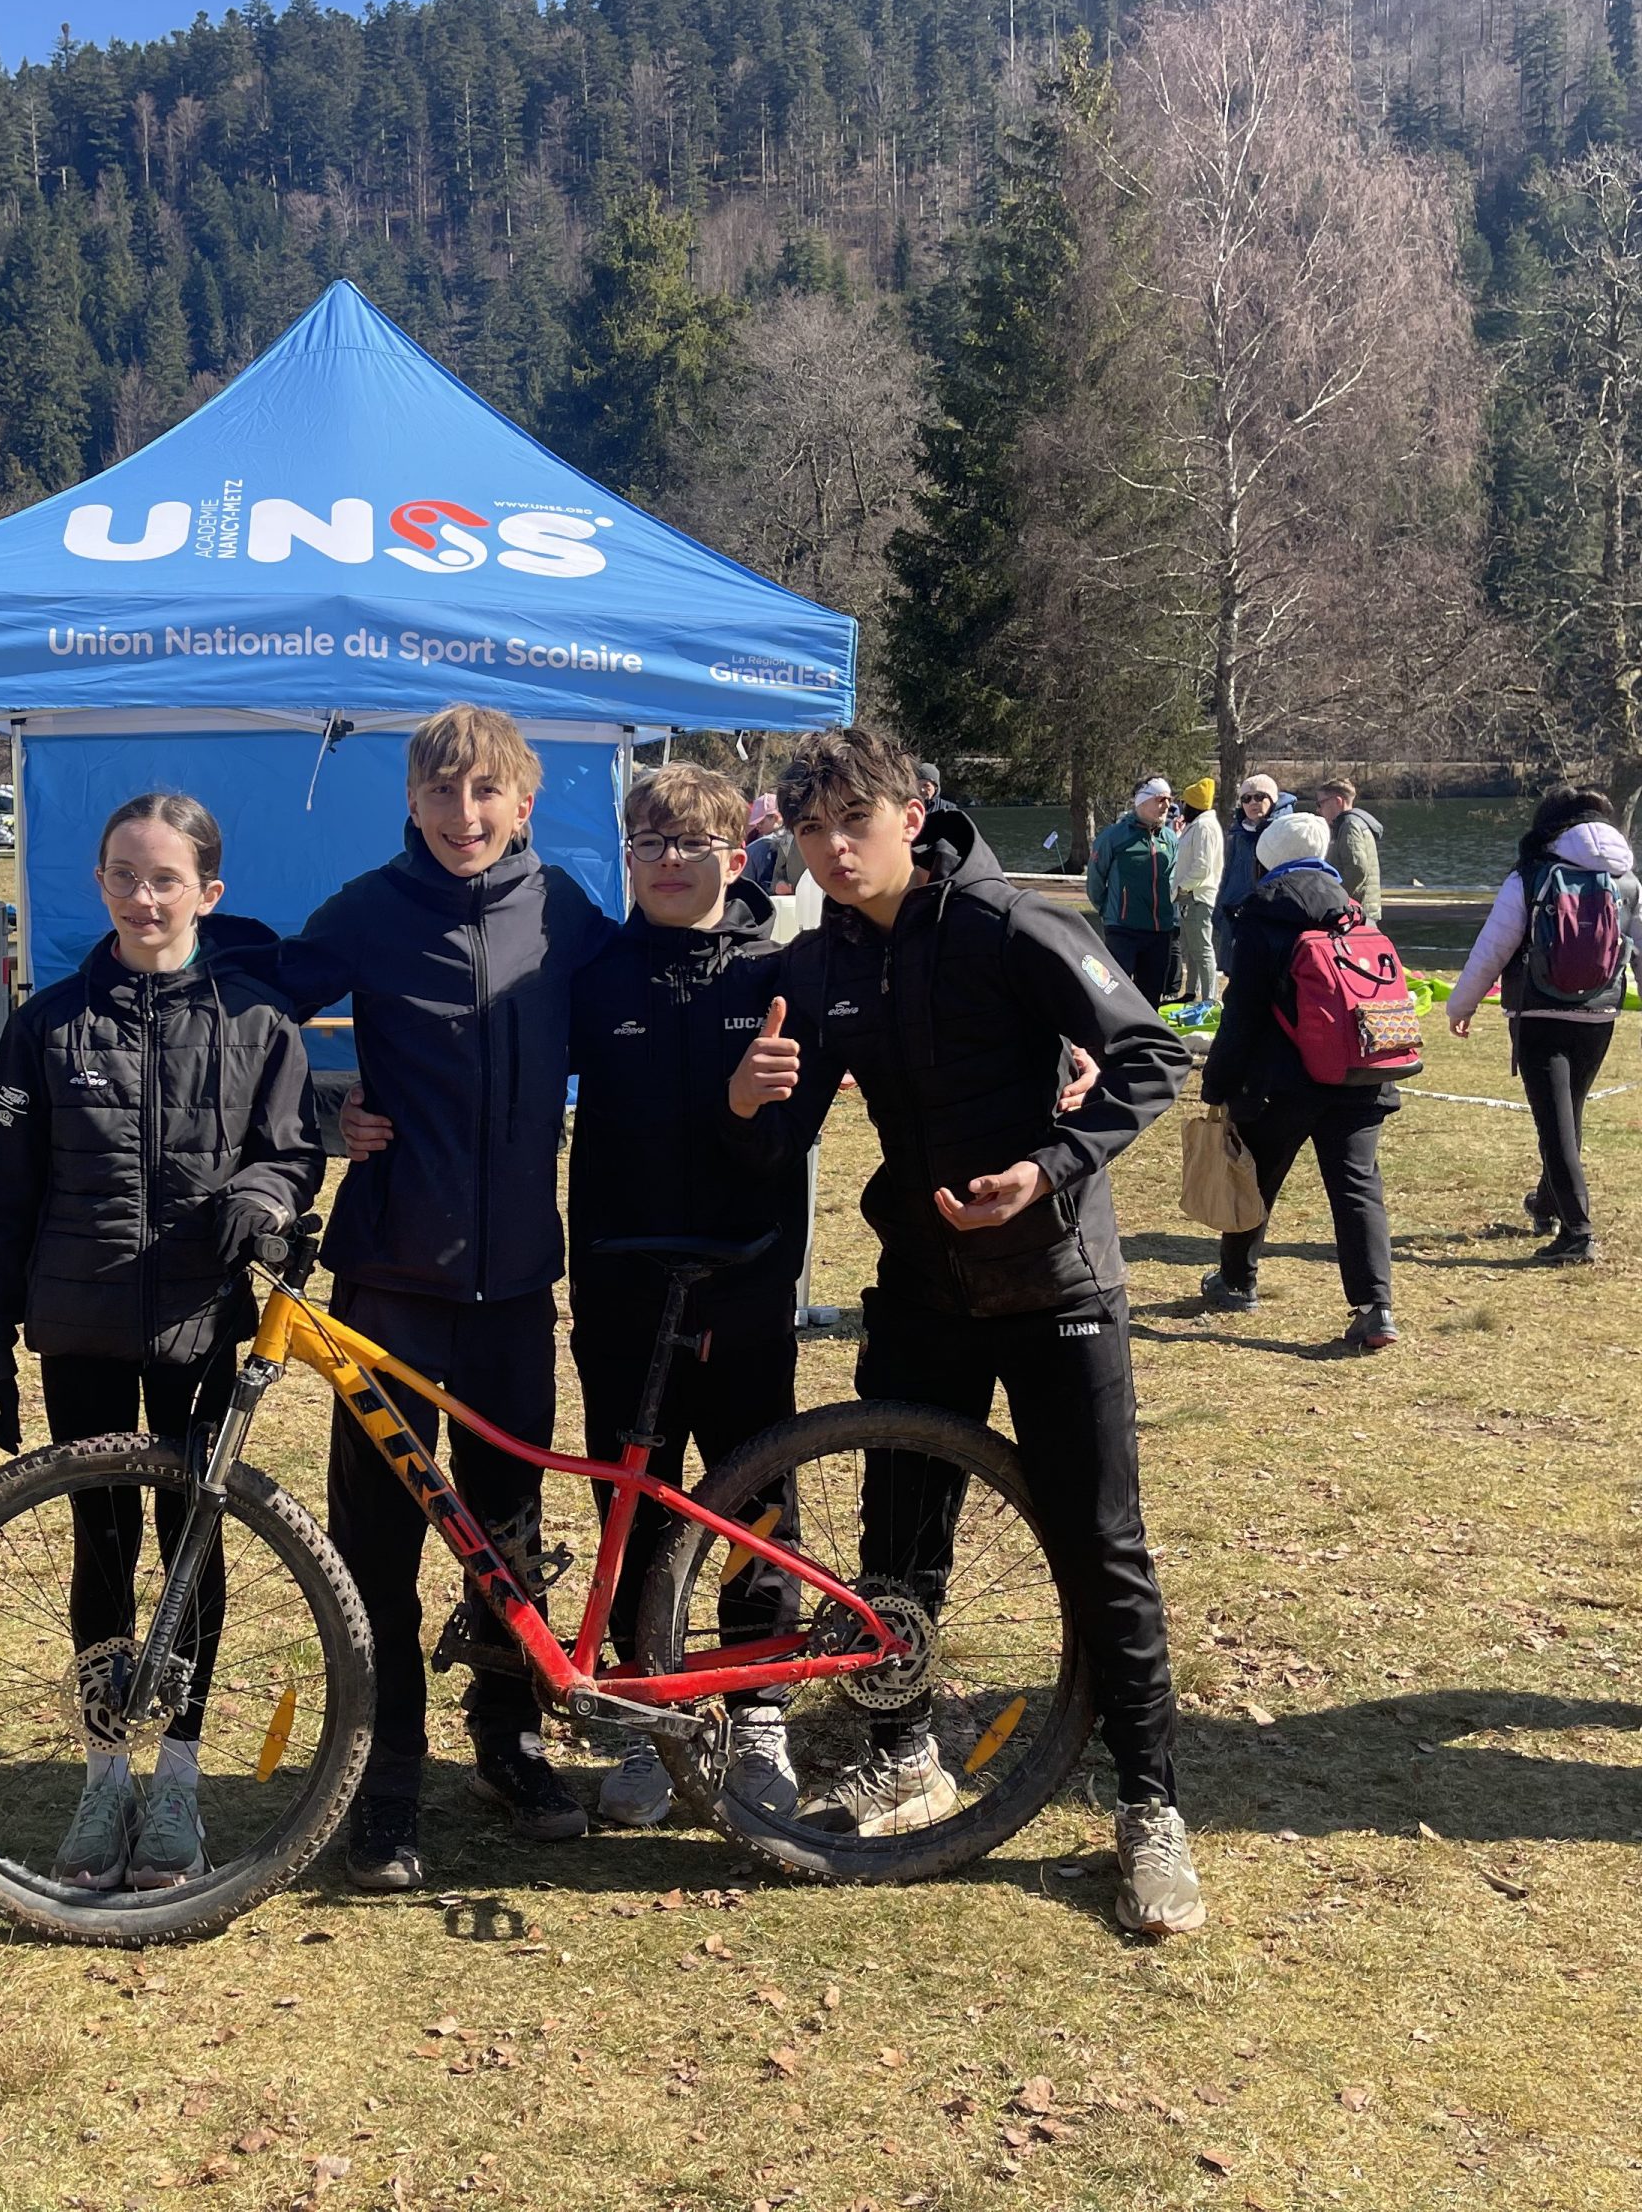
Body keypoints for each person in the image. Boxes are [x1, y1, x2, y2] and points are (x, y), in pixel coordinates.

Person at [759, 726, 1205, 1937]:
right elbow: (784, 1128)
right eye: (810, 831)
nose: (833, 851)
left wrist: (1049, 1166)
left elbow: (1151, 1055)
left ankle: (1150, 1808)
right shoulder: (823, 956)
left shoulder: (1014, 924)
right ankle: (903, 1755)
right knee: (897, 1545)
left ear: (912, 816)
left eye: (854, 823)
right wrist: (752, 1102)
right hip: (921, 1288)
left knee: (1098, 1543)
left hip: (1055, 1286)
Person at [272, 704, 618, 1890]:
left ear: (523, 801)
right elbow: (255, 1009)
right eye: (439, 792)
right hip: (389, 1281)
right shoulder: (370, 909)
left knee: (506, 1530)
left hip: (514, 1281)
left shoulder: (564, 912)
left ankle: (508, 1744)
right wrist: (322, 1114)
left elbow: (645, 1020)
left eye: (484, 793)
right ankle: (384, 1778)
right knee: (376, 1539)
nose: (462, 815)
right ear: (410, 802)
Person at [0, 792, 323, 1893]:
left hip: (200, 1327)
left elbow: (291, 1151)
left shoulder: (258, 1023)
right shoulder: (47, 1025)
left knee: (191, 1544)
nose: (143, 896)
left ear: (208, 893)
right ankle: (104, 1770)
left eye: (166, 878)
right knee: (101, 1546)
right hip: (79, 1328)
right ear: (100, 883)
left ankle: (179, 1779)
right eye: (124, 874)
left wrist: (262, 1196)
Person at [563, 767, 810, 1829]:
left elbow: (794, 1134)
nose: (670, 862)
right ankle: (645, 1706)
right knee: (631, 1501)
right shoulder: (590, 974)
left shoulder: (779, 971)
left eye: (693, 844)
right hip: (620, 1282)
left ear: (737, 857)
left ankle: (758, 1710)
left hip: (744, 1280)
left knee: (755, 1502)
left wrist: (1064, 1062)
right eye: (649, 843)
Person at [1196, 809, 1400, 1347]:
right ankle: (1375, 1308)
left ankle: (1236, 1281)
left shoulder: (1261, 914)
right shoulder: (1353, 910)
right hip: (1360, 1073)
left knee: (1255, 1177)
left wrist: (1216, 1082)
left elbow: (1241, 1014)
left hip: (1281, 1081)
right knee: (1357, 1186)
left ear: (1267, 857)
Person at [1450, 786, 1640, 1267]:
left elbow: (1492, 948)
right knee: (1568, 1114)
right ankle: (1549, 1204)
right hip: (1599, 1013)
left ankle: (1578, 1233)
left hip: (1537, 1012)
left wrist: (1462, 1005)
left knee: (1555, 1124)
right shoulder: (1625, 879)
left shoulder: (1530, 875)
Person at [1085, 777, 1180, 999]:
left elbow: (1174, 879)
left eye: (1169, 799)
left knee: (1151, 996)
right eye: (1160, 799)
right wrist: (1108, 910)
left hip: (1160, 930)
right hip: (1123, 929)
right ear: (1141, 801)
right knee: (1116, 994)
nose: (1167, 806)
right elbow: (1095, 880)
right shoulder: (1113, 836)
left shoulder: (1170, 838)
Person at [1215, 774, 1286, 971]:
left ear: (1272, 799)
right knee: (1234, 973)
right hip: (1235, 913)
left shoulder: (1283, 831)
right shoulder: (1237, 833)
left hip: (1268, 913)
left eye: (1259, 796)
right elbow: (1227, 873)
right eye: (1246, 798)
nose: (1253, 803)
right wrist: (1221, 908)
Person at [1172, 777, 1223, 1003]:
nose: (1182, 807)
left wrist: (1183, 887)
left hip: (1197, 896)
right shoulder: (1197, 825)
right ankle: (1191, 992)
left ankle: (1209, 999)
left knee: (1202, 949)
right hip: (1191, 897)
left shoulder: (1204, 826)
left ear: (1192, 805)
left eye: (1184, 803)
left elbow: (1202, 866)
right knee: (1192, 949)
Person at [1314, 778, 1384, 925]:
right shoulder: (1351, 823)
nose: (1318, 810)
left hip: (1357, 914)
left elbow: (1357, 868)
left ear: (1337, 801)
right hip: (1360, 911)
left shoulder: (1349, 825)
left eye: (1320, 803)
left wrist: (1336, 900)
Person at [741, 790, 787, 893]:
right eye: (756, 823)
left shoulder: (754, 849)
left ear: (776, 817)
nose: (757, 826)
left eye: (761, 822)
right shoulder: (794, 840)